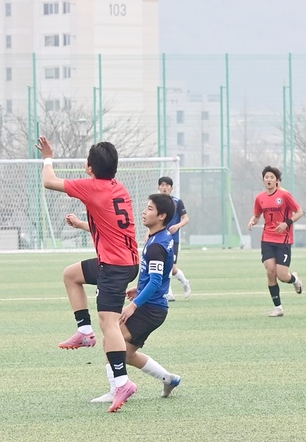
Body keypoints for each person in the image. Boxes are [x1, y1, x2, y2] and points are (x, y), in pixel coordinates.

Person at [37, 136, 140, 412]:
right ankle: (84, 331)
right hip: (125, 261)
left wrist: (48, 156)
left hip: (114, 267)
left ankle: (122, 382)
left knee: (109, 324)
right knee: (71, 275)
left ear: (91, 167)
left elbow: (49, 181)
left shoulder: (91, 187)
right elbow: (109, 227)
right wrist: (83, 224)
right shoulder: (119, 189)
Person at [89, 193, 182, 405]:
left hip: (150, 309)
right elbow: (154, 277)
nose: (144, 211)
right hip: (153, 306)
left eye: (149, 208)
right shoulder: (159, 238)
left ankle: (116, 390)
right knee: (126, 355)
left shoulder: (158, 245)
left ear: (162, 216)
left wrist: (134, 304)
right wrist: (138, 289)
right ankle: (169, 379)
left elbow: (157, 283)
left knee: (110, 339)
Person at [247, 166, 304, 317]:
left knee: (282, 275)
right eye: (267, 177)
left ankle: (295, 279)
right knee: (270, 272)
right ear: (263, 180)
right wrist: (252, 221)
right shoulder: (260, 198)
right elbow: (257, 215)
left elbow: (299, 212)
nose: (269, 180)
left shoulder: (285, 195)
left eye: (272, 177)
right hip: (267, 238)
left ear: (277, 180)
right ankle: (278, 308)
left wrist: (287, 223)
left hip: (283, 239)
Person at [157, 176, 191, 301]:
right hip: (159, 238)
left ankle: (184, 283)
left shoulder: (177, 202)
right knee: (163, 265)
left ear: (172, 188)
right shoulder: (156, 203)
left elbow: (186, 218)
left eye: (167, 185)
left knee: (170, 267)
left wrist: (177, 226)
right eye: (162, 185)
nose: (164, 188)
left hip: (173, 239)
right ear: (159, 187)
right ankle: (169, 293)